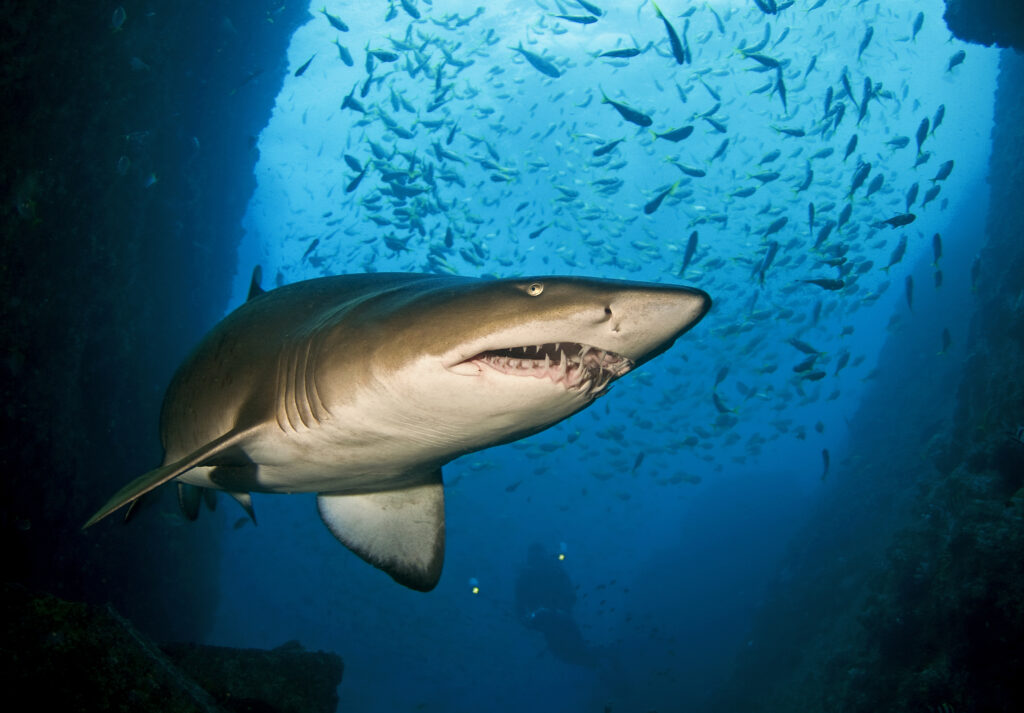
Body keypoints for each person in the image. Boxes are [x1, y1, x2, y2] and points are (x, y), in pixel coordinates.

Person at [514, 543, 597, 667]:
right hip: (546, 625)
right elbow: (519, 605)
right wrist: (526, 620)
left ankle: (603, 660)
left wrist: (561, 610)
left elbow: (571, 594)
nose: (538, 562)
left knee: (580, 651)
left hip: (564, 619)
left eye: (539, 558)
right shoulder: (524, 579)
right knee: (565, 655)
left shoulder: (555, 570)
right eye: (534, 559)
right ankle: (601, 662)